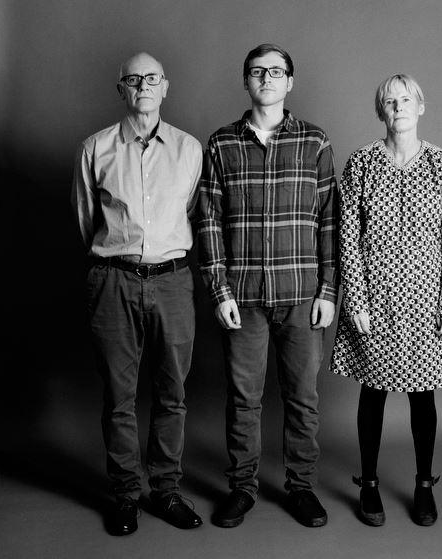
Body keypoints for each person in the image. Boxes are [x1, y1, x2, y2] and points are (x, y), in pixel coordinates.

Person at [198, 43, 339, 528]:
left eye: (276, 71)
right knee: (244, 400)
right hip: (243, 299)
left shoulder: (315, 141)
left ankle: (301, 488)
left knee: (303, 399)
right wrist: (219, 291)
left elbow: (329, 221)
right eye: (258, 71)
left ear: (290, 82)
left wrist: (329, 291)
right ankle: (242, 488)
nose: (266, 79)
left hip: (302, 296)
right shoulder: (221, 144)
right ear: (246, 81)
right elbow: (209, 221)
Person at [71, 52, 203, 535]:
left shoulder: (190, 149)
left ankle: (165, 490)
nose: (143, 86)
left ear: (165, 86)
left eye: (152, 78)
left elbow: (192, 211)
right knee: (119, 395)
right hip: (113, 280)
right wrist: (119, 256)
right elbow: (87, 220)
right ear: (121, 89)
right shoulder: (95, 148)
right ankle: (125, 494)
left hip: (173, 280)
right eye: (133, 79)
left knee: (173, 393)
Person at [330, 74, 442, 527]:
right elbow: (347, 237)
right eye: (389, 102)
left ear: (420, 106)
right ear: (380, 112)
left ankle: (424, 484)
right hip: (374, 300)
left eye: (405, 100)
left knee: (422, 395)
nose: (398, 107)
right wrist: (356, 301)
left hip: (425, 302)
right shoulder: (361, 163)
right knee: (373, 391)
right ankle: (368, 483)